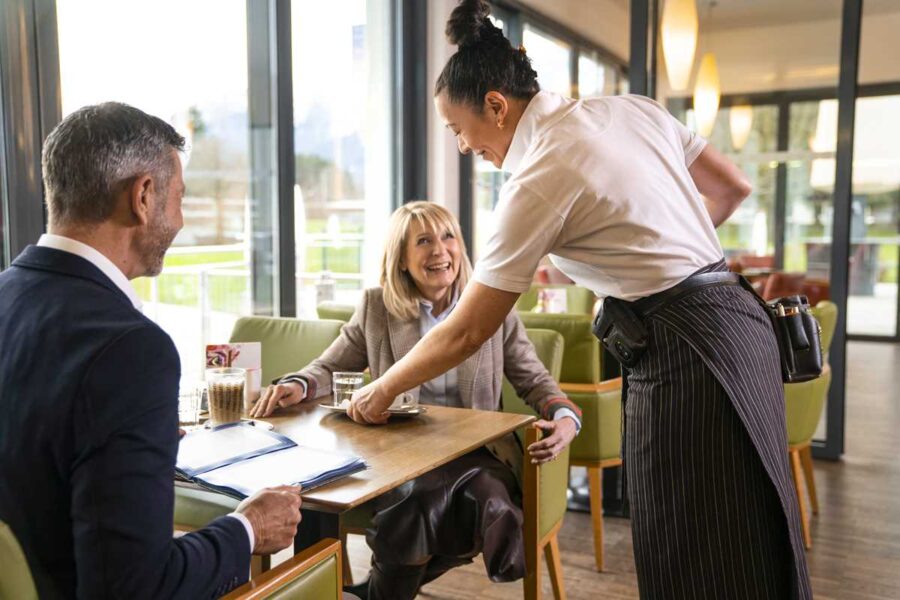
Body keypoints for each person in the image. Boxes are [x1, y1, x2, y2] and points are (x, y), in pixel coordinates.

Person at [347, 1, 813, 599]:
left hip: (685, 353)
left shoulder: (539, 175)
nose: (462, 146)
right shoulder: (631, 110)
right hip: (738, 324)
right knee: (752, 528)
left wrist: (382, 389)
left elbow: (469, 330)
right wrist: (654, 261)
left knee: (690, 542)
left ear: (496, 104)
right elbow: (731, 187)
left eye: (458, 129)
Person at [0, 103, 303, 599]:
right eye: (179, 198)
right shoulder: (130, 350)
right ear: (142, 196)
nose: (180, 219)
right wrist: (248, 528)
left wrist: (131, 443)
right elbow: (135, 588)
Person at [251, 201, 581, 599]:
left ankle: (369, 593)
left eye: (448, 237)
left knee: (434, 499)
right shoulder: (377, 307)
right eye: (424, 241)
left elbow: (534, 379)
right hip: (399, 455)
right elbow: (330, 366)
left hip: (476, 453)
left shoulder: (491, 309)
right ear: (402, 260)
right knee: (462, 502)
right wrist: (299, 385)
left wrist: (565, 415)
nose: (440, 250)